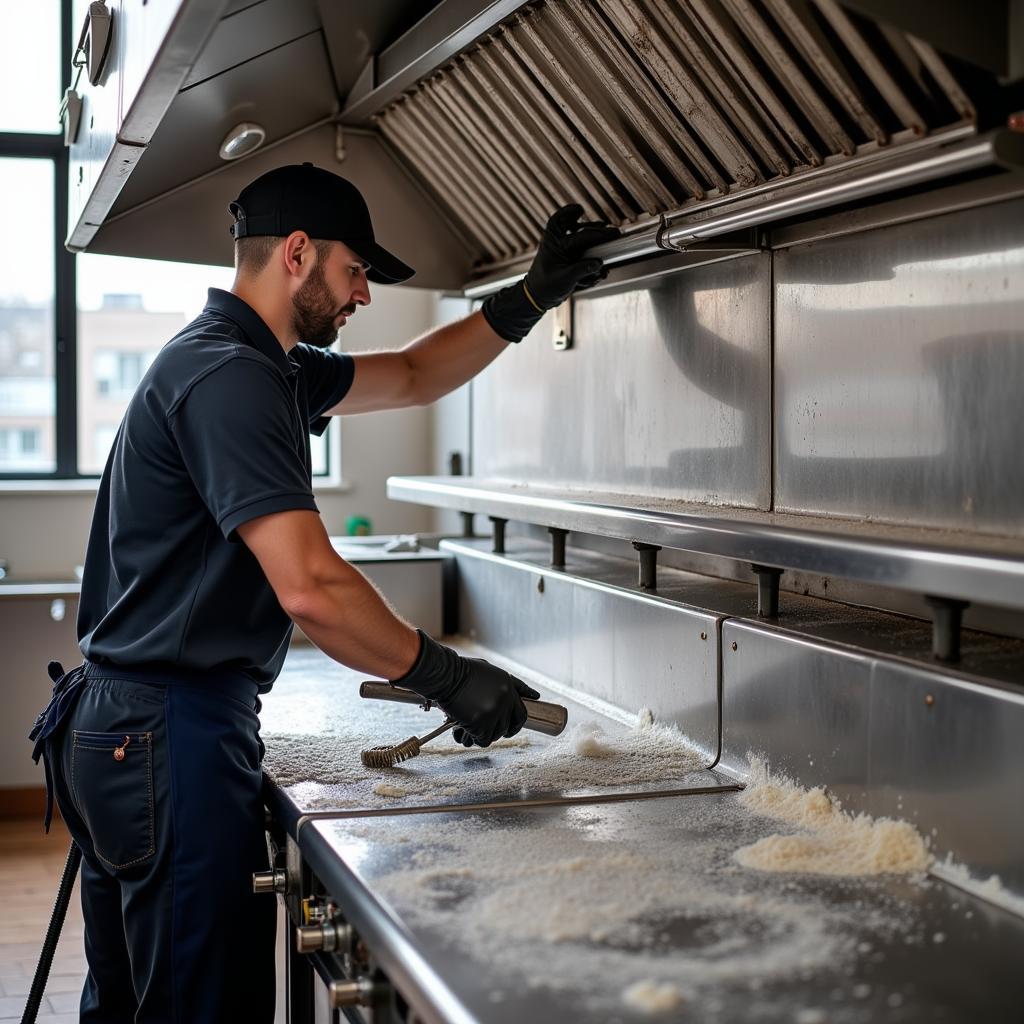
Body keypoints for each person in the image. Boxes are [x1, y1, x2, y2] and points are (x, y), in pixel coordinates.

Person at [28, 162, 618, 1023]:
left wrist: (529, 297)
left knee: (131, 1007)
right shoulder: (230, 377)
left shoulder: (265, 368)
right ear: (297, 253)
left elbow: (415, 375)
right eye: (356, 272)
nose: (364, 295)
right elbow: (312, 587)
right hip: (168, 730)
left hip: (127, 728)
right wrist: (448, 679)